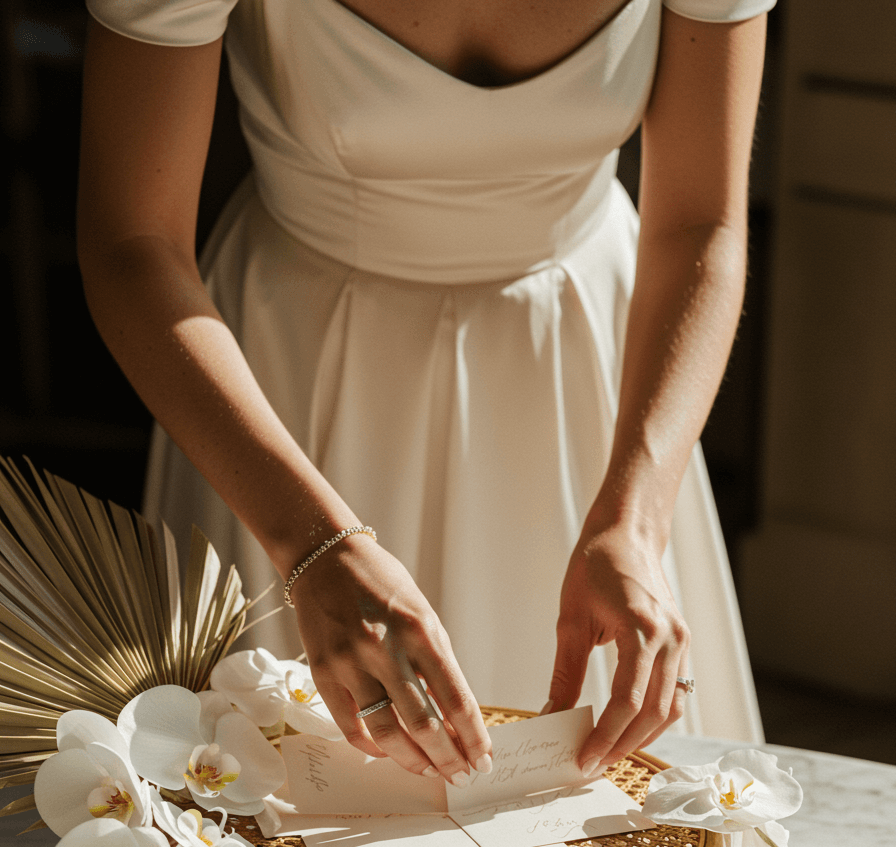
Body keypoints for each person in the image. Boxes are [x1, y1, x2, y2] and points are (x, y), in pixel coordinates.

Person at [77, 0, 771, 791]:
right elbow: (133, 240)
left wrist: (637, 518)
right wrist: (312, 547)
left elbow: (700, 222)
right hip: (292, 389)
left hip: (589, 373)